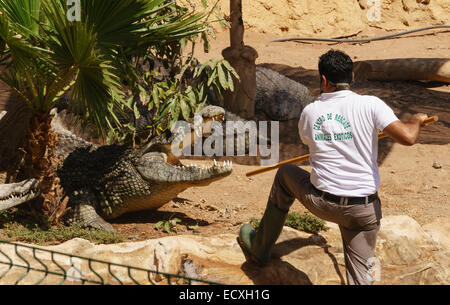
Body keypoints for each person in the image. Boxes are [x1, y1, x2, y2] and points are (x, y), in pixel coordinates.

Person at [237, 49, 428, 285]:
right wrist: (416, 121)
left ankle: (259, 249)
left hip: (324, 203)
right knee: (361, 278)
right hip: (364, 211)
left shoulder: (310, 111)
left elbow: (309, 142)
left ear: (324, 80)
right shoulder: (371, 105)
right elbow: (408, 137)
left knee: (285, 174)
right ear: (352, 77)